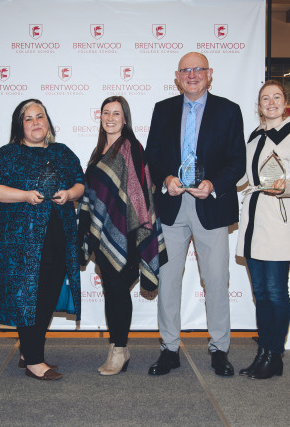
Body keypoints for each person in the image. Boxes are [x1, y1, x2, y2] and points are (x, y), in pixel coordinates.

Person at [145, 52, 246, 376]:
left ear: (209, 73)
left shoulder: (229, 111)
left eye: (197, 69)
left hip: (211, 205)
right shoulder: (163, 110)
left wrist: (213, 183)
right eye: (186, 70)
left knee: (217, 281)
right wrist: (166, 179)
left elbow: (237, 161)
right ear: (177, 76)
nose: (192, 75)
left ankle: (219, 349)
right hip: (172, 206)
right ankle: (169, 348)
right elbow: (152, 157)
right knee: (169, 279)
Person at [0, 99, 84, 381]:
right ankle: (34, 361)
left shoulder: (62, 152)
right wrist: (24, 195)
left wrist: (69, 193)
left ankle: (29, 351)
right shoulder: (7, 154)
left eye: (40, 116)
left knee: (47, 295)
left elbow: (80, 182)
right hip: (20, 238)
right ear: (20, 126)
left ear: (48, 121)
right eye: (28, 118)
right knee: (28, 296)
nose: (36, 122)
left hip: (58, 235)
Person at [79, 96, 167, 376]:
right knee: (112, 291)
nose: (111, 118)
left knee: (117, 290)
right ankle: (118, 347)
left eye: (117, 113)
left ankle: (119, 348)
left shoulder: (131, 148)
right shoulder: (98, 150)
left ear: (125, 118)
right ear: (100, 116)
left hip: (127, 233)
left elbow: (140, 194)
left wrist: (136, 231)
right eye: (106, 112)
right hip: (104, 233)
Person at [236, 80, 290, 379]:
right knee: (261, 293)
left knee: (277, 292)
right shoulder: (253, 137)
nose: (271, 102)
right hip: (253, 220)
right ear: (259, 105)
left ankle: (274, 354)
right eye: (265, 98)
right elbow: (240, 175)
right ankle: (264, 352)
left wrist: (284, 187)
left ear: (285, 101)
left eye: (276, 97)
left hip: (277, 218)